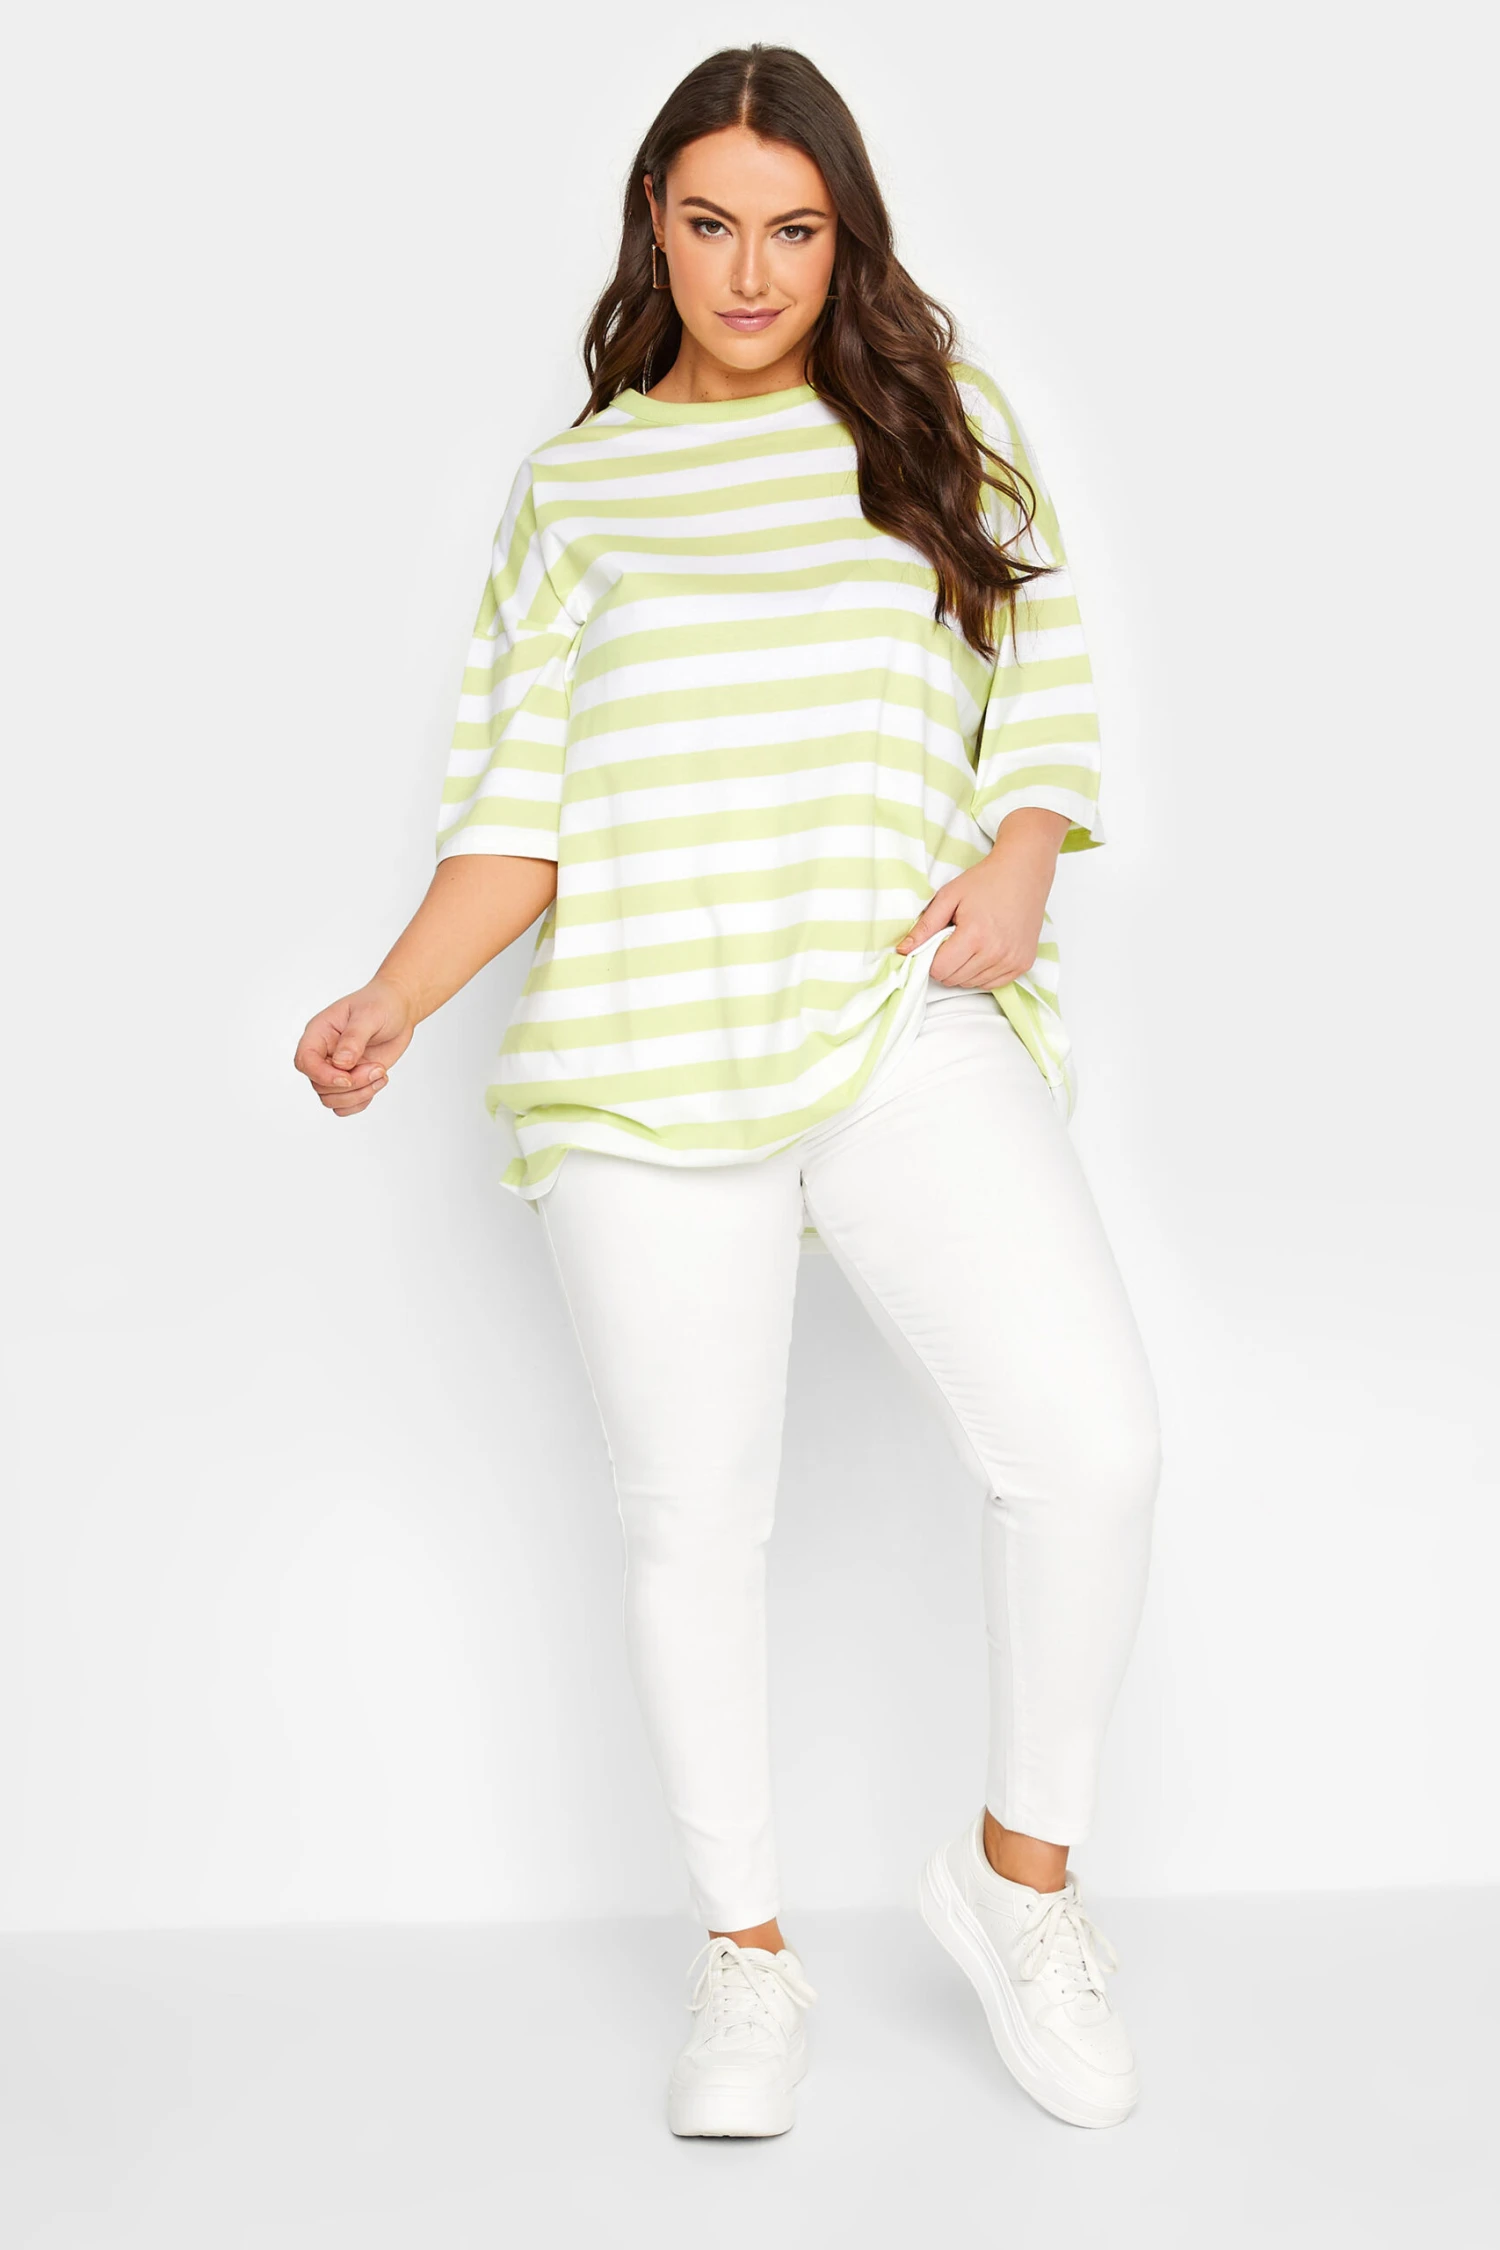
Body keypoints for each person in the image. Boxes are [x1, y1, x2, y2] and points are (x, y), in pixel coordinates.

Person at [294, 43, 1163, 2141]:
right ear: (653, 227)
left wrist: (1022, 863)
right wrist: (392, 997)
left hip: (893, 1018)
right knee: (695, 1522)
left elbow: (1040, 681)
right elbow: (519, 808)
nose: (752, 271)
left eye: (794, 229)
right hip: (638, 1058)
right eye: (710, 224)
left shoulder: (936, 428)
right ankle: (746, 1958)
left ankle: (1018, 1883)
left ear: (844, 237)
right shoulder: (574, 491)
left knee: (1092, 1447)